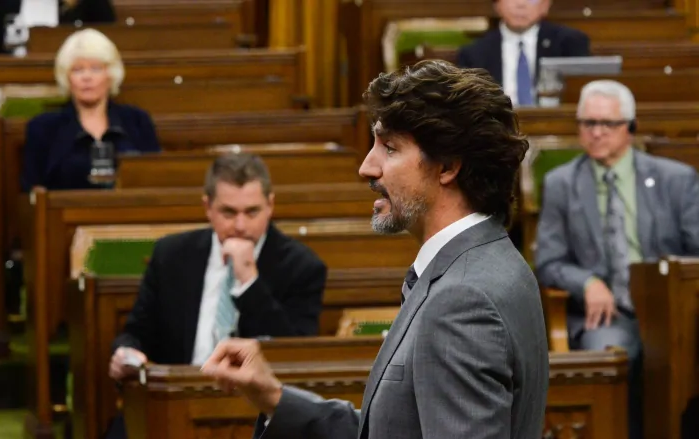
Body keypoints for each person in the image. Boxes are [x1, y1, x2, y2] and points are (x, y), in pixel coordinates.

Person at [201, 60, 549, 438]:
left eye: (389, 148)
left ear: (447, 166)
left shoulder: (462, 300)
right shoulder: (494, 262)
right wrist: (273, 397)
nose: (367, 167)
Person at [534, 80, 699, 439]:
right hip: (606, 313)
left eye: (606, 124)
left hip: (673, 311)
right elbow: (548, 260)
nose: (595, 133)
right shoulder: (561, 183)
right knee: (610, 355)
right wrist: (587, 283)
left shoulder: (676, 179)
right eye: (586, 123)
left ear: (630, 127)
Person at [110, 152, 327, 371]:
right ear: (208, 208)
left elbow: (294, 356)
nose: (240, 226)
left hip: (257, 400)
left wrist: (249, 281)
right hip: (182, 393)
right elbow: (136, 334)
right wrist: (126, 352)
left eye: (252, 212)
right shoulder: (171, 255)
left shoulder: (302, 267)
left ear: (270, 205)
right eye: (229, 212)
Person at [19, 29, 160, 193]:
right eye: (77, 70)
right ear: (67, 77)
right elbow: (33, 189)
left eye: (96, 69)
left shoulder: (137, 121)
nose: (87, 77)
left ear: (110, 75)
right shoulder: (43, 128)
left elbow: (155, 182)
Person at [456, 0, 589, 106]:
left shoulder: (571, 43)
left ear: (546, 4)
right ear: (497, 4)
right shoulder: (473, 53)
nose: (521, 4)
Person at [0, 0, 115, 58]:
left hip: (72, 78)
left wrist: (75, 7)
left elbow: (110, 38)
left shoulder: (89, 3)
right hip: (10, 75)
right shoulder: (2, 2)